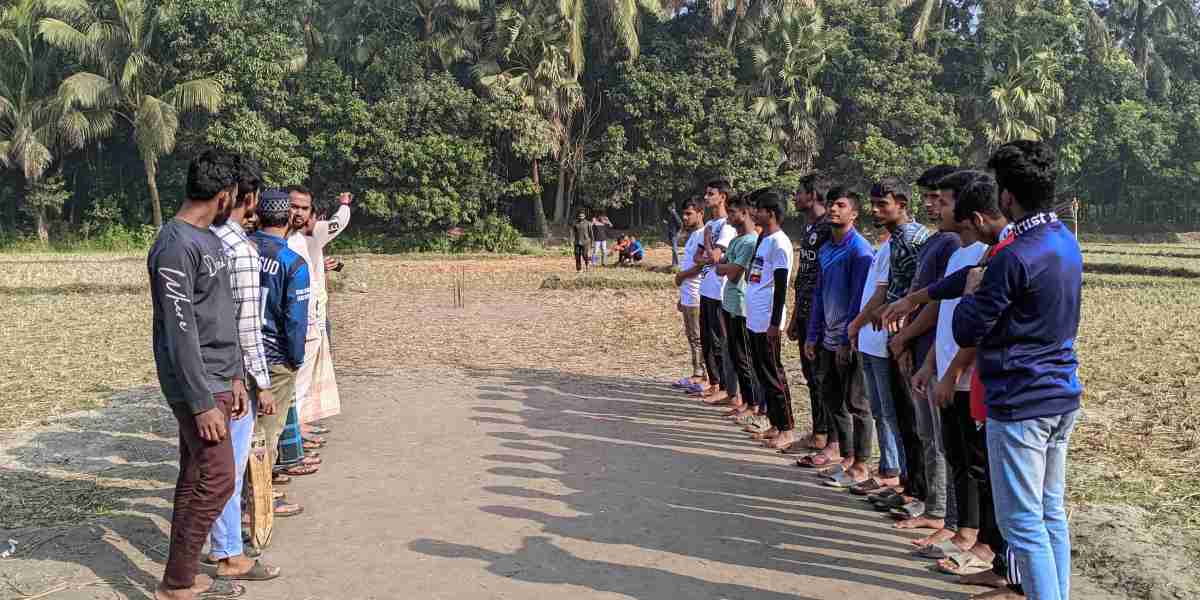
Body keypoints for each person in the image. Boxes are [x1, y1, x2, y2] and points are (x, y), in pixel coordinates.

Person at [954, 141, 1082, 600]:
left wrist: (971, 290)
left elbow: (969, 328)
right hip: (1060, 392)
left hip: (1020, 399)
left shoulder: (1014, 255)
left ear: (1005, 197)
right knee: (1049, 512)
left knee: (1024, 523)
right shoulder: (1066, 241)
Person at [147, 149, 247, 600]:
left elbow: (222, 315)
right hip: (198, 385)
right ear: (224, 195)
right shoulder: (175, 245)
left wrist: (238, 376)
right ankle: (177, 583)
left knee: (195, 478)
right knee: (220, 478)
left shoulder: (209, 239)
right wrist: (202, 399)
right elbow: (179, 331)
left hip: (222, 378)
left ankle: (179, 577)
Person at [907, 170, 990, 559]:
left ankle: (971, 536)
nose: (935, 207)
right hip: (944, 370)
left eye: (943, 201)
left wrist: (954, 370)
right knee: (955, 453)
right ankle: (960, 529)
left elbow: (979, 322)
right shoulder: (959, 253)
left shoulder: (984, 253)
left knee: (972, 460)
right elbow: (943, 314)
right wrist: (929, 363)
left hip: (965, 374)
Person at [206, 155, 282, 582]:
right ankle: (229, 553)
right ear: (247, 198)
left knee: (206, 468)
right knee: (229, 469)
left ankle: (217, 543)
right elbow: (247, 325)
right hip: (233, 376)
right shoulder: (239, 250)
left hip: (202, 374)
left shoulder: (201, 240)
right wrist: (262, 383)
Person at [848, 177, 930, 519]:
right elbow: (894, 290)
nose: (876, 210)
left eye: (884, 204)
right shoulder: (896, 240)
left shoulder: (913, 239)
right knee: (897, 415)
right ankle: (907, 485)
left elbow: (918, 292)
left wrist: (906, 333)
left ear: (902, 203)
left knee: (909, 420)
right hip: (891, 337)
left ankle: (919, 493)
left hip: (906, 337)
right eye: (875, 204)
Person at [800, 189, 874, 487]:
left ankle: (862, 464)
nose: (833, 209)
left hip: (849, 340)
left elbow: (859, 300)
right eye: (831, 204)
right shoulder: (827, 248)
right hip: (826, 339)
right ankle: (846, 457)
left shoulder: (860, 251)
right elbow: (818, 293)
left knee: (857, 403)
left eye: (841, 205)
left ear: (854, 213)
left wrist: (847, 339)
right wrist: (813, 335)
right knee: (833, 399)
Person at [251, 189, 315, 501]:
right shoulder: (292, 262)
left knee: (245, 433)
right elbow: (295, 321)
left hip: (241, 357)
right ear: (288, 216)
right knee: (266, 435)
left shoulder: (242, 251)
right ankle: (260, 502)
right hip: (275, 359)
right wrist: (296, 358)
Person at [290, 190, 352, 427]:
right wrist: (345, 203)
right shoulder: (313, 235)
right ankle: (298, 427)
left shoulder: (303, 238)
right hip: (307, 313)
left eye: (305, 210)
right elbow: (341, 221)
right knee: (304, 370)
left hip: (312, 309)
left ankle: (302, 422)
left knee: (309, 368)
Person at [850, 223, 903, 497]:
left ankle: (891, 470)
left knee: (888, 410)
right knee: (879, 410)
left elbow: (882, 295)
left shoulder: (896, 248)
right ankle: (887, 467)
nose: (877, 214)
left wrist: (856, 324)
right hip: (869, 340)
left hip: (881, 341)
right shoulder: (881, 248)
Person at [744, 189, 796, 450]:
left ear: (771, 214)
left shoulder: (780, 243)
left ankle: (786, 428)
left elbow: (780, 287)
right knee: (762, 373)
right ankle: (775, 423)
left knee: (773, 374)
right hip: (754, 316)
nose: (754, 213)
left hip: (767, 319)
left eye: (759, 210)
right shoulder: (764, 238)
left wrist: (775, 323)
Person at [786, 173, 833, 452]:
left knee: (821, 377)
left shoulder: (828, 228)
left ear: (813, 195)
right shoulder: (809, 228)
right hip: (804, 313)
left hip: (822, 317)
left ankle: (826, 435)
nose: (796, 197)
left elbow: (822, 279)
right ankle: (818, 431)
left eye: (799, 192)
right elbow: (803, 278)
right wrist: (795, 317)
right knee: (809, 374)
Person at [715, 195, 760, 424]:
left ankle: (753, 404)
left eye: (733, 212)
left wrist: (722, 267)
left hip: (742, 306)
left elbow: (733, 272)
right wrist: (723, 266)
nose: (729, 216)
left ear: (744, 213)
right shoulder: (736, 240)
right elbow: (722, 263)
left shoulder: (751, 241)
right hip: (729, 303)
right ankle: (743, 400)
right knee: (734, 354)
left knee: (744, 358)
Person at [695, 179, 737, 405]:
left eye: (711, 193)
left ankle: (724, 386)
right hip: (706, 288)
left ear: (722, 197)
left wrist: (708, 245)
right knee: (707, 339)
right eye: (706, 193)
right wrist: (708, 249)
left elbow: (715, 257)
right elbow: (697, 257)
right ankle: (714, 382)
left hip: (720, 291)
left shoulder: (727, 226)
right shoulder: (710, 225)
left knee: (720, 340)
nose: (706, 197)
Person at [672, 198, 707, 392]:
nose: (684, 217)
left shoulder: (704, 234)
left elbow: (701, 264)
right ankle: (697, 372)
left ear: (700, 213)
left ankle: (700, 375)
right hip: (688, 293)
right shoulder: (693, 235)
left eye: (689, 214)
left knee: (697, 336)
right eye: (684, 214)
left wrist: (681, 276)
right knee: (692, 335)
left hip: (697, 294)